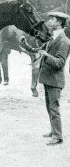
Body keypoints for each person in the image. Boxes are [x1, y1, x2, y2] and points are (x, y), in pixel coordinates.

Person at [20, 11, 70, 145]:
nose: (48, 22)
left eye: (52, 20)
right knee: (49, 107)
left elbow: (60, 63)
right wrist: (25, 45)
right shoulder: (52, 38)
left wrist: (46, 55)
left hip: (55, 81)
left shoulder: (64, 41)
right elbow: (38, 50)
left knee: (54, 108)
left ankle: (58, 137)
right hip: (48, 79)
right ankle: (54, 131)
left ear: (59, 22)